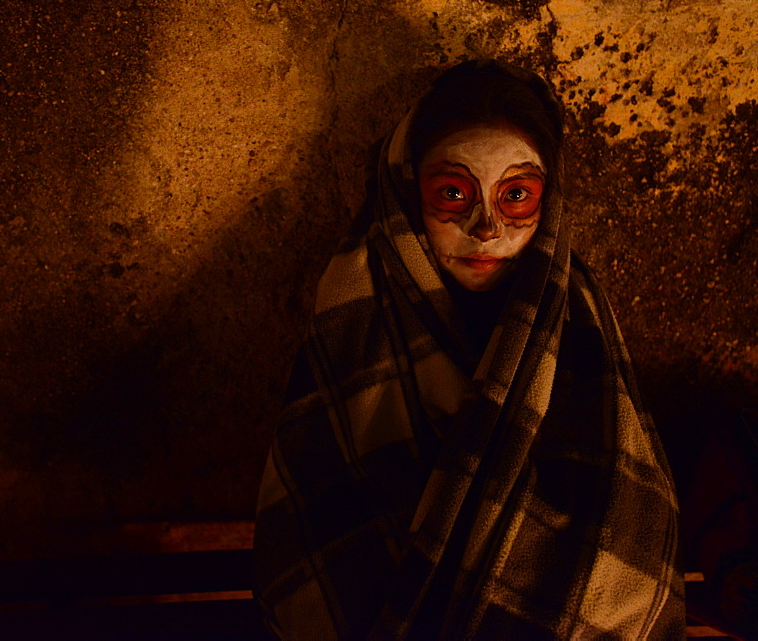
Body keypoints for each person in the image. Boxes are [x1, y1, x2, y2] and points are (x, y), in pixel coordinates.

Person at [253, 60, 684, 639]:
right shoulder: (356, 313)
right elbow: (324, 535)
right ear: (406, 190)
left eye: (517, 195)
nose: (487, 229)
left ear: (549, 201)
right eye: (454, 192)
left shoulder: (579, 320)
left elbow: (627, 524)